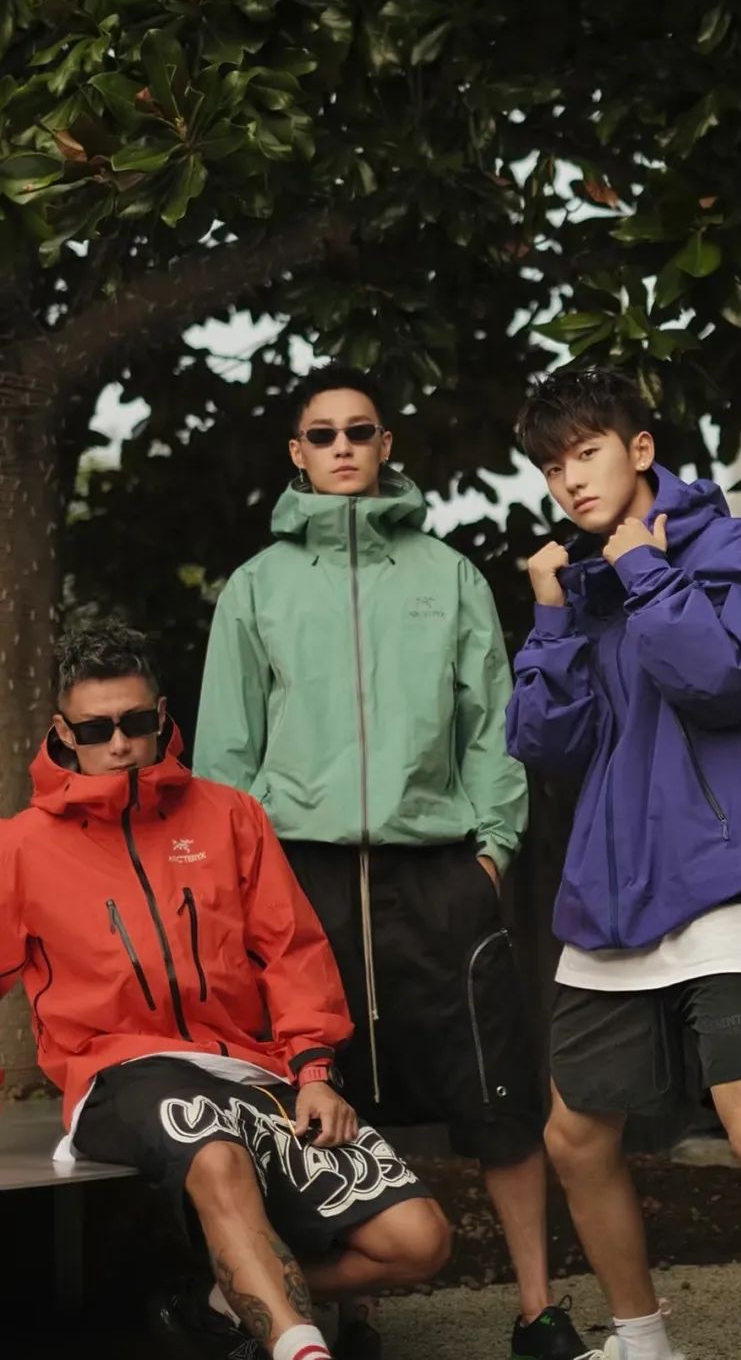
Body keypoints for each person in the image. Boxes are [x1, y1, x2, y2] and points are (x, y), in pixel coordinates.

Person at [194, 366, 586, 1360]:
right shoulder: (257, 586)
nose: (342, 447)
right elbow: (225, 756)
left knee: (500, 1098)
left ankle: (537, 1309)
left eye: (359, 430)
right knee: (323, 1097)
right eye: (322, 434)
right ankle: (354, 1312)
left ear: (385, 443)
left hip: (438, 876)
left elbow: (493, 724)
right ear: (297, 452)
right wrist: (241, 885)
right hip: (301, 880)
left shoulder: (446, 575)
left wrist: (491, 851)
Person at [506, 369, 741, 1360]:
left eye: (586, 452)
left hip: (725, 879)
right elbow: (548, 745)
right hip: (611, 898)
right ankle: (644, 1341)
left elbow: (722, 680)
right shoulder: (587, 582)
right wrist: (552, 614)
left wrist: (643, 566)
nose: (569, 480)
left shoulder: (730, 546)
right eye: (551, 466)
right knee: (573, 1135)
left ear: (639, 450)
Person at [0, 620, 450, 1360]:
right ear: (64, 733)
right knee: (213, 1150)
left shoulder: (230, 815)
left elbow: (291, 951)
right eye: (98, 729)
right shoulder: (22, 844)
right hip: (121, 1072)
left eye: (136, 723)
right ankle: (301, 1348)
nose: (121, 744)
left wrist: (314, 1070)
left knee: (419, 1240)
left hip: (250, 1068)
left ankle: (215, 1299)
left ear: (162, 716)